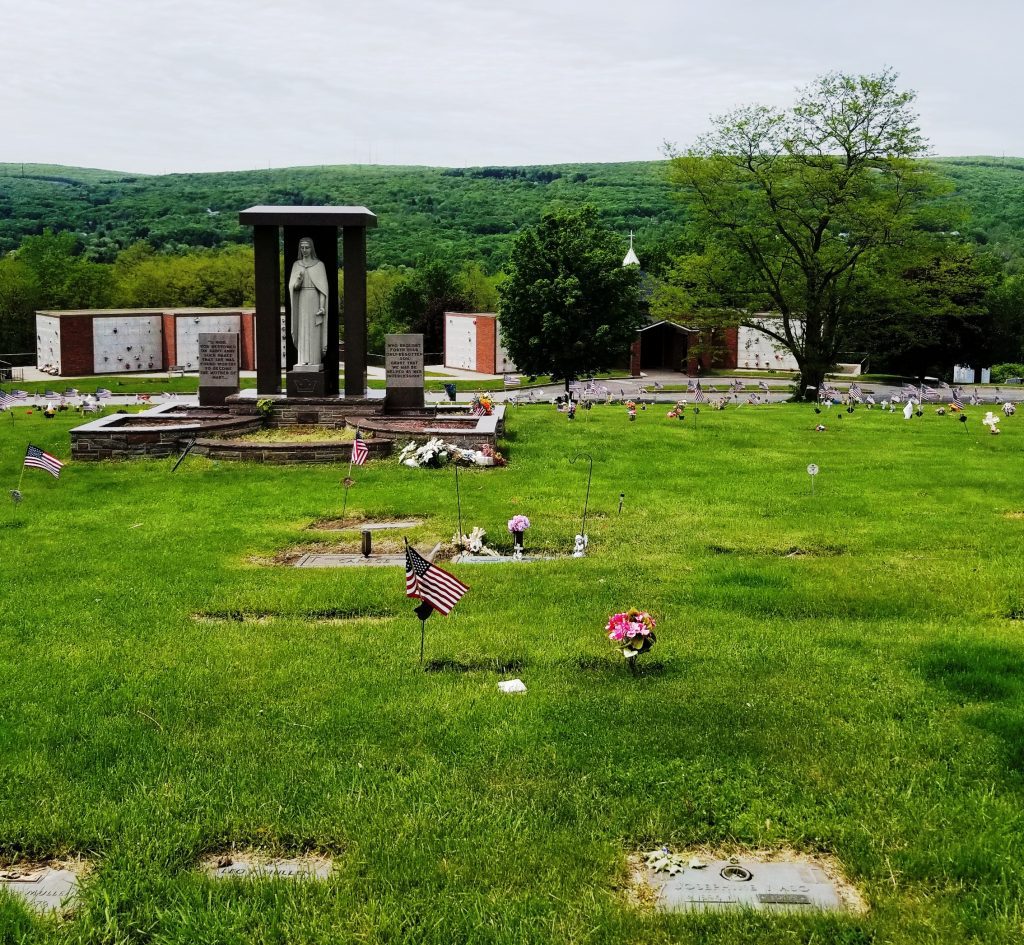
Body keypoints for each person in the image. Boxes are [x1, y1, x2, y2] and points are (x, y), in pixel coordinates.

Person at [289, 237, 330, 368]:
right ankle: (302, 360)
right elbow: (293, 288)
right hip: (301, 299)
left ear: (312, 248)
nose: (304, 250)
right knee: (302, 328)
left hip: (314, 299)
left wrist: (322, 307)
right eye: (302, 248)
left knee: (314, 328)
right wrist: (298, 281)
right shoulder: (297, 265)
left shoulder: (319, 265)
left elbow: (323, 290)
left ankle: (314, 360)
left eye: (307, 247)